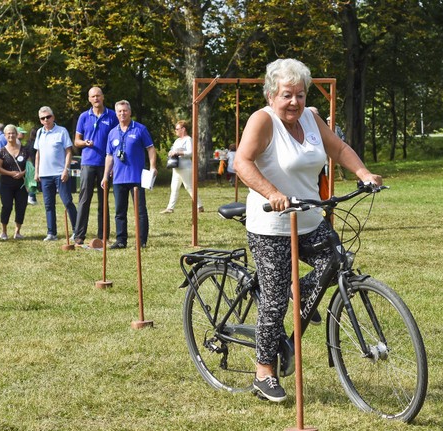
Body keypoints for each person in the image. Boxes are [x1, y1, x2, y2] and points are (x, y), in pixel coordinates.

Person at [234, 58, 382, 403]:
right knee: (273, 302)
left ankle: (295, 291)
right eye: (287, 95)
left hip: (311, 218)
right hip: (272, 224)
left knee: (337, 260)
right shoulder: (262, 121)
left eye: (300, 95)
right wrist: (272, 193)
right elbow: (242, 161)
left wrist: (363, 174)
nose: (295, 102)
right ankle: (264, 372)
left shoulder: (312, 119)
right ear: (272, 95)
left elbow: (340, 149)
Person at [101, 100, 157, 249]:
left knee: (140, 211)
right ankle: (121, 240)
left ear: (130, 112)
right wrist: (106, 175)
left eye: (125, 110)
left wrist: (152, 167)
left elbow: (151, 149)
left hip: (136, 178)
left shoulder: (140, 129)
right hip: (118, 179)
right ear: (116, 113)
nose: (122, 114)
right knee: (120, 212)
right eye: (119, 111)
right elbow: (109, 156)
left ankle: (141, 241)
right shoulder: (112, 133)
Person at [73, 86, 118, 245]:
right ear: (89, 99)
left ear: (103, 97)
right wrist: (84, 143)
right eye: (93, 96)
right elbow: (76, 141)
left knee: (103, 200)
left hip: (105, 164)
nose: (96, 99)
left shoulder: (112, 116)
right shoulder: (84, 116)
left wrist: (113, 166)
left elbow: (117, 139)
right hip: (88, 162)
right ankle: (79, 235)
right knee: (84, 199)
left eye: (98, 95)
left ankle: (103, 235)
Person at [34, 106, 75, 241]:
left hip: (59, 173)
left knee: (67, 201)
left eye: (48, 117)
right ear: (40, 120)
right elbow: (38, 153)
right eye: (43, 118)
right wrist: (36, 171)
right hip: (45, 175)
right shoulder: (39, 133)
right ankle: (51, 233)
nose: (46, 120)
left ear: (53, 117)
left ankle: (77, 230)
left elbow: (69, 151)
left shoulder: (61, 131)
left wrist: (66, 169)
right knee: (48, 205)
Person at [0, 124, 31, 239]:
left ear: (17, 134)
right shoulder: (1, 151)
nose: (11, 135)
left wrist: (22, 173)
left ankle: (17, 232)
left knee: (21, 206)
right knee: (7, 206)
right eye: (8, 133)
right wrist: (11, 173)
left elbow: (30, 166)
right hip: (6, 184)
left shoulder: (24, 150)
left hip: (21, 184)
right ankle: (4, 231)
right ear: (5, 136)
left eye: (13, 133)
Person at [161, 120, 203, 214]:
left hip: (185, 167)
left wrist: (178, 152)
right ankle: (170, 208)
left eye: (177, 129)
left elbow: (190, 153)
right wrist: (171, 152)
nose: (175, 131)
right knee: (174, 187)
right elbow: (172, 149)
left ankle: (199, 206)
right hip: (176, 167)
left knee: (189, 187)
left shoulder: (188, 139)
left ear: (183, 129)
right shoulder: (177, 141)